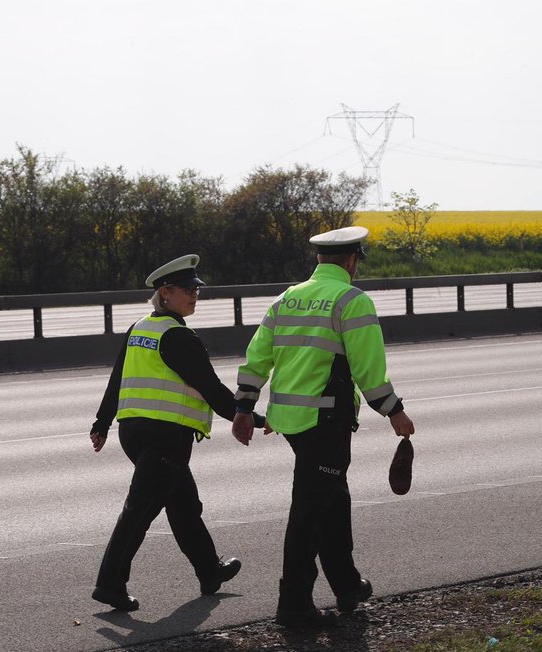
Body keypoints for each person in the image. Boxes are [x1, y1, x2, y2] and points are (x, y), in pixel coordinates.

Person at [231, 226, 416, 628]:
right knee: (310, 510)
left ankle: (347, 585)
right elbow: (368, 368)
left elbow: (257, 355)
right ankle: (294, 603)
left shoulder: (286, 298)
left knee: (333, 500)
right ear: (352, 260)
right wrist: (394, 411)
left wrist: (244, 406)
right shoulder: (352, 300)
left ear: (319, 260)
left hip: (291, 422)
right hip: (325, 419)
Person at [89, 254, 267, 611]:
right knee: (139, 510)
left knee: (184, 505)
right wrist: (250, 417)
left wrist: (103, 422)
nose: (195, 295)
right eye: (188, 290)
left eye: (197, 290)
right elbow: (211, 388)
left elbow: (117, 379)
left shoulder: (141, 327)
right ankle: (109, 585)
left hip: (134, 432)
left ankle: (210, 571)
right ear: (165, 292)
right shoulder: (179, 336)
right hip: (166, 436)